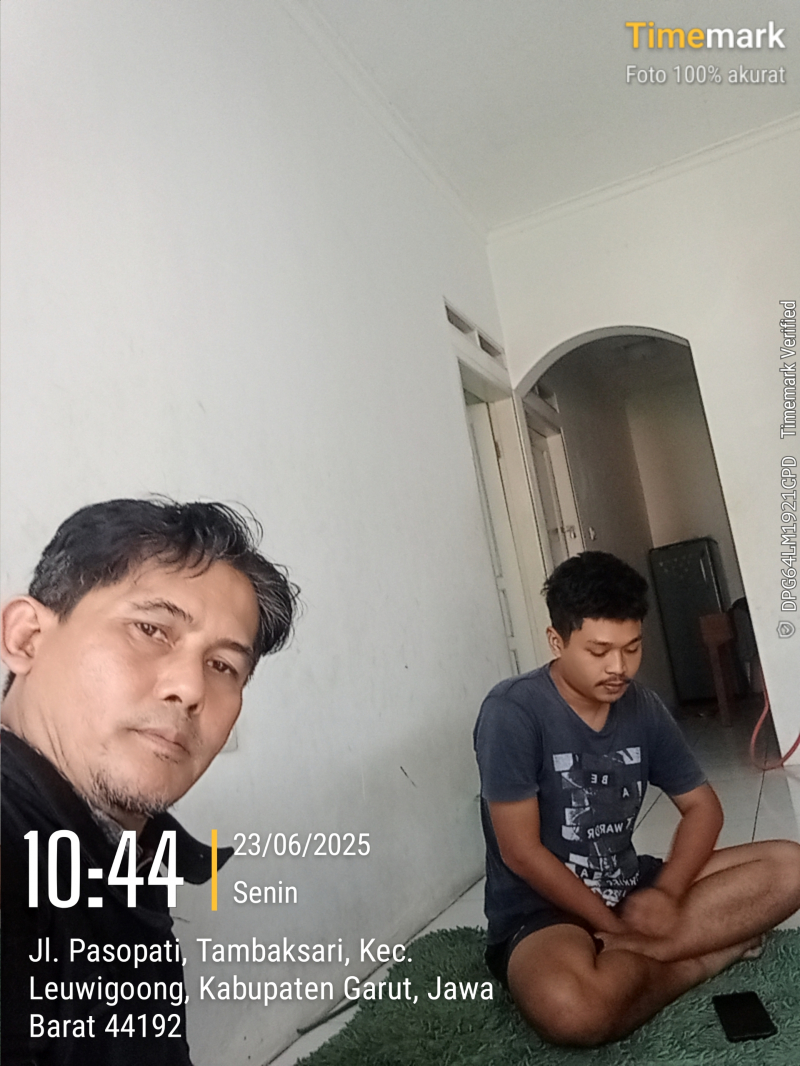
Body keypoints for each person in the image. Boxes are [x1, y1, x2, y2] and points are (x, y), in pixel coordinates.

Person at [1, 498, 299, 1065]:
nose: (190, 688)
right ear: (26, 638)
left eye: (223, 666)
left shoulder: (129, 849)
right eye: (151, 630)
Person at [474, 551, 800, 1047]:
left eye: (632, 648)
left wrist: (666, 894)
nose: (619, 668)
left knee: (791, 867)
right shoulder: (512, 712)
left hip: (631, 888)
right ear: (557, 641)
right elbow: (520, 851)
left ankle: (636, 957)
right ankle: (704, 958)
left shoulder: (642, 706)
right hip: (541, 911)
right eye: (599, 651)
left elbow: (703, 808)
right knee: (573, 1010)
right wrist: (612, 925)